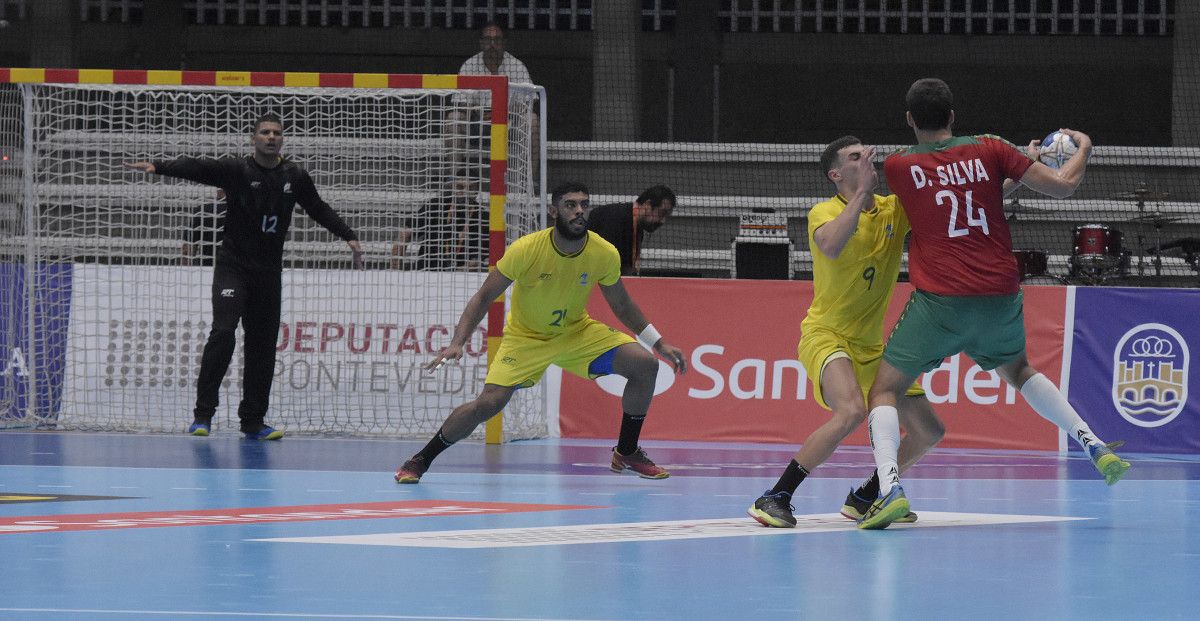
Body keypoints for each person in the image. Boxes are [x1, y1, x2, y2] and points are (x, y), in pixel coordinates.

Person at [858, 78, 1130, 529]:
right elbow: (1062, 186)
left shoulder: (899, 167)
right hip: (999, 296)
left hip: (940, 302)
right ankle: (1094, 443)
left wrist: (1008, 169)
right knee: (1020, 370)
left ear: (909, 119)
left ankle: (889, 490)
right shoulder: (992, 148)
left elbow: (942, 198)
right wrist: (1083, 147)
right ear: (952, 114)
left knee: (884, 389)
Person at [393, 181, 687, 483]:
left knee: (645, 365)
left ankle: (626, 450)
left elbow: (622, 305)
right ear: (553, 211)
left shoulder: (603, 252)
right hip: (526, 338)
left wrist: (659, 343)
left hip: (576, 333)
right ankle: (420, 459)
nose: (579, 211)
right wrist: (458, 342)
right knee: (488, 404)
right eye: (570, 205)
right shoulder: (526, 249)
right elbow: (483, 297)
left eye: (584, 205)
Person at [125, 113, 363, 440]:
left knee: (262, 347)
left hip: (268, 274)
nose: (270, 137)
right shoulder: (238, 170)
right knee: (223, 333)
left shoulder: (295, 175)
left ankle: (253, 421)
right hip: (233, 268)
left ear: (282, 139)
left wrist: (347, 234)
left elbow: (318, 208)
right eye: (264, 132)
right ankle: (203, 415)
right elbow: (198, 168)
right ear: (254, 139)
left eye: (276, 132)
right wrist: (159, 166)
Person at [747, 137, 945, 529]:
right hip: (827, 335)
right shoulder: (823, 211)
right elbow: (833, 246)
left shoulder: (893, 210)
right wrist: (863, 194)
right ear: (836, 175)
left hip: (872, 347)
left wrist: (1017, 171)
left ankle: (867, 496)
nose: (867, 159)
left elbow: (956, 194)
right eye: (855, 157)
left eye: (867, 154)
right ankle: (775, 495)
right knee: (852, 410)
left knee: (929, 430)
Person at [392, 174, 487, 271]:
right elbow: (405, 233)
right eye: (460, 187)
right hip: (427, 271)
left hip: (464, 275)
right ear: (453, 187)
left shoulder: (483, 216)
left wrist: (465, 269)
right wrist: (395, 271)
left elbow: (486, 257)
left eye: (470, 188)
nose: (465, 192)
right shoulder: (435, 206)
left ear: (476, 191)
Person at [588, 185, 677, 276]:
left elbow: (625, 268)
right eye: (662, 213)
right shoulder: (615, 220)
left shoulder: (636, 227)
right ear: (647, 205)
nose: (663, 221)